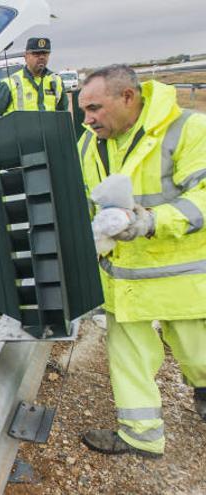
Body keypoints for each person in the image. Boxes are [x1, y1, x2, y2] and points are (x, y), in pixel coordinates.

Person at [76, 64, 206, 458]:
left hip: (178, 274)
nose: (88, 119)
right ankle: (140, 436)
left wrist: (151, 221)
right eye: (84, 110)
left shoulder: (187, 129)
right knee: (128, 356)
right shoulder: (89, 143)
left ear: (127, 97)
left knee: (198, 351)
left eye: (95, 108)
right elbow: (84, 200)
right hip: (124, 278)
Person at [0, 37, 67, 122]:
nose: (42, 57)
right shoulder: (9, 84)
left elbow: (62, 117)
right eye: (36, 54)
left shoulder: (56, 81)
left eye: (45, 54)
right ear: (26, 57)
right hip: (20, 135)